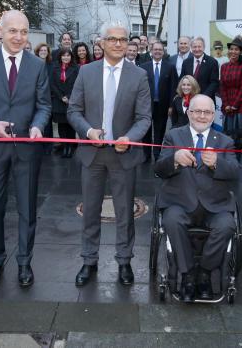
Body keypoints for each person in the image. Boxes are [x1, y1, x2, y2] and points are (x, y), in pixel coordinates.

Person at [0, 10, 51, 289]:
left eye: (24, 32)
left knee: (28, 208)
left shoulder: (37, 65)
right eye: (13, 31)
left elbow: (44, 105)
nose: (19, 37)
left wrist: (38, 126)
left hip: (27, 148)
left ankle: (25, 262)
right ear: (0, 31)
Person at [67, 21, 152, 287]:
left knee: (124, 212)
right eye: (112, 39)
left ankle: (124, 260)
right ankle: (89, 260)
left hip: (123, 155)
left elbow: (144, 117)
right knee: (90, 210)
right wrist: (88, 131)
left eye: (123, 39)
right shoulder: (86, 72)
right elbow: (73, 112)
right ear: (101, 43)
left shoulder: (138, 75)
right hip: (92, 154)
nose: (118, 43)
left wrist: (131, 137)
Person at [154, 94, 241, 302]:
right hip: (179, 202)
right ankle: (188, 273)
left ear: (214, 115)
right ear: (188, 112)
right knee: (171, 221)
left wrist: (217, 163)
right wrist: (174, 159)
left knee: (228, 225)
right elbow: (158, 168)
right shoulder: (173, 136)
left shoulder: (225, 141)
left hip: (215, 205)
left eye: (207, 112)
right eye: (197, 111)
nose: (202, 116)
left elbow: (236, 172)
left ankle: (205, 271)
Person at [140, 40, 173, 162]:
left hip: (162, 106)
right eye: (155, 49)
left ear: (163, 52)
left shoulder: (170, 67)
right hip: (147, 105)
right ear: (151, 51)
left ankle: (157, 154)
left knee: (159, 131)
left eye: (160, 49)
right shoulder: (144, 67)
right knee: (146, 130)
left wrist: (171, 106)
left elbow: (172, 87)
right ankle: (146, 154)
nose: (158, 51)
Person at [219, 36, 242, 154]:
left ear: (241, 51)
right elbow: (222, 87)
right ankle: (226, 161)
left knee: (237, 136)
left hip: (240, 105)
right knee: (226, 135)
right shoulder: (224, 66)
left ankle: (236, 163)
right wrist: (226, 104)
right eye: (231, 49)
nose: (233, 52)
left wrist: (235, 105)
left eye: (236, 49)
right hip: (227, 105)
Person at [51, 47, 80, 158]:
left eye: (68, 55)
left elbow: (77, 84)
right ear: (60, 57)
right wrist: (61, 96)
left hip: (71, 101)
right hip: (59, 101)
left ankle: (71, 148)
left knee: (70, 125)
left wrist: (68, 96)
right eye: (64, 55)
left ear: (71, 57)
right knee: (61, 126)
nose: (66, 57)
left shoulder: (76, 68)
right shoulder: (55, 68)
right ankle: (64, 146)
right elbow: (52, 84)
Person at [34, 42, 55, 155]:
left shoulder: (52, 66)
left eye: (45, 51)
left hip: (48, 98)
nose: (43, 52)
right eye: (41, 50)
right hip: (35, 98)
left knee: (48, 124)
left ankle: (48, 146)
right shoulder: (33, 65)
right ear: (37, 52)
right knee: (37, 122)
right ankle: (38, 145)